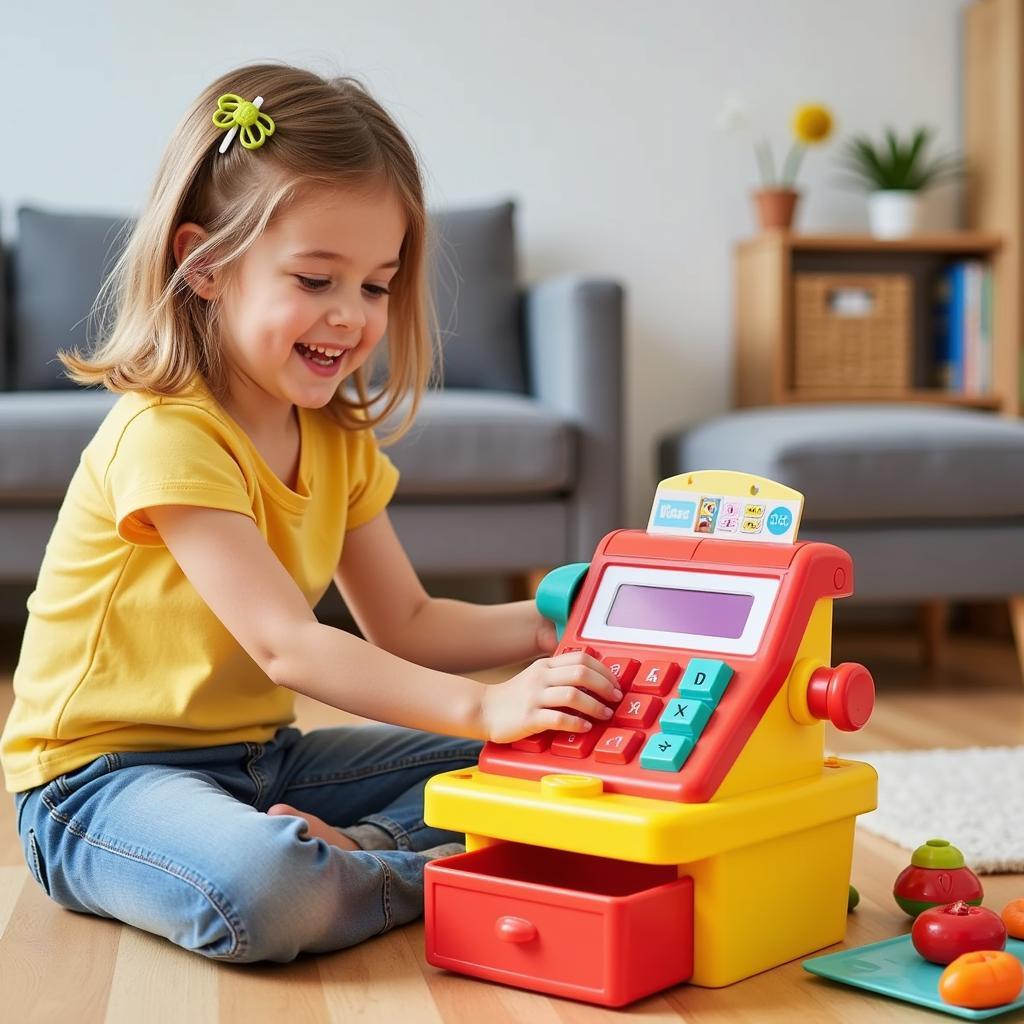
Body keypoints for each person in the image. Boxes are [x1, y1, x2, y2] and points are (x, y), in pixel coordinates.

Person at [1, 63, 620, 963]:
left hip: (264, 761)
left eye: (374, 286)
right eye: (316, 279)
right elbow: (288, 644)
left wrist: (546, 630)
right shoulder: (169, 432)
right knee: (269, 889)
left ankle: (364, 859)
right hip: (96, 785)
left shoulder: (333, 437)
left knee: (566, 754)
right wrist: (488, 709)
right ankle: (424, 868)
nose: (349, 317)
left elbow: (407, 622)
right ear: (204, 266)